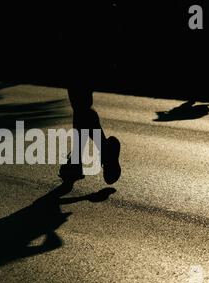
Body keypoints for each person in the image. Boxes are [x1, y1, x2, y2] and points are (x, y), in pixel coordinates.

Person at [59, 2, 122, 185]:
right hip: (86, 49)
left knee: (81, 105)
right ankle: (77, 161)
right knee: (80, 105)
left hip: (84, 49)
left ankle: (100, 153)